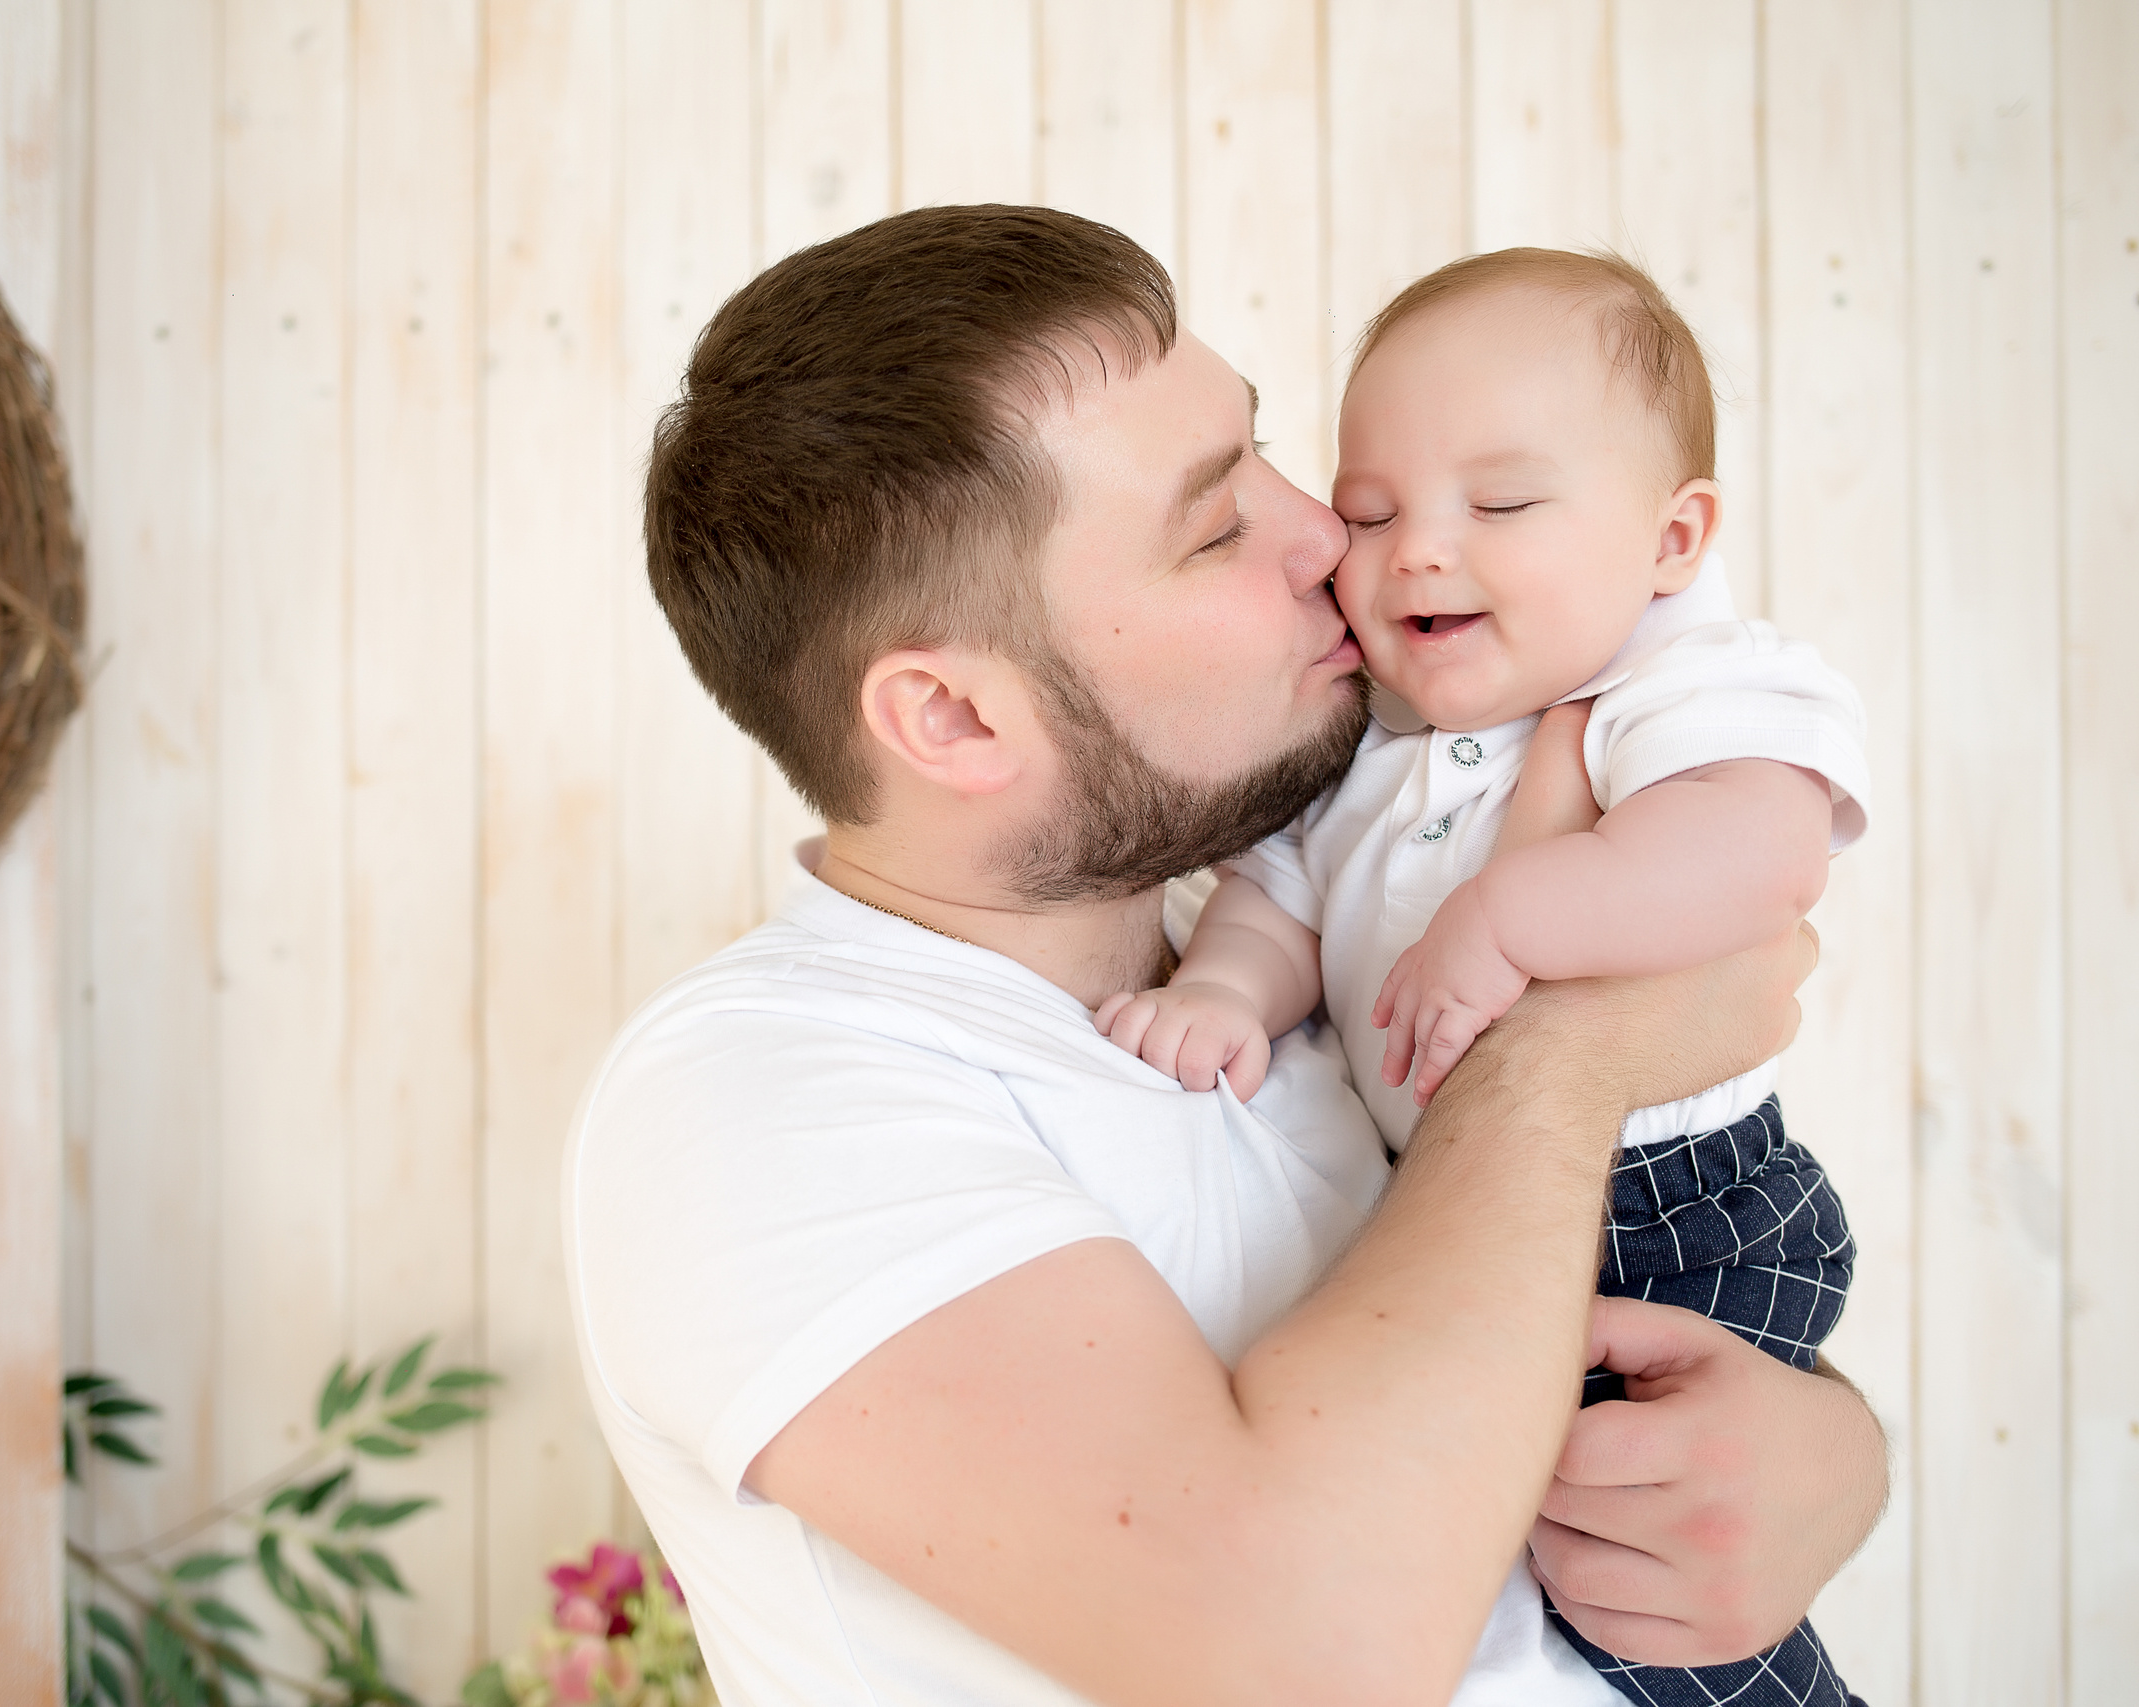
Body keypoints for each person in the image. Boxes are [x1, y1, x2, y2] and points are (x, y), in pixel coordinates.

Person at [566, 206, 1885, 1707]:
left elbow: (1529, 1333)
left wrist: (1825, 1453)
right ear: (955, 720)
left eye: (1264, 449)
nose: (1333, 530)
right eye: (1216, 521)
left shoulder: (1276, 962)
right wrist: (1572, 1047)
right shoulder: (756, 1103)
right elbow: (1313, 1656)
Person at [1091, 247, 1874, 1707]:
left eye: (1501, 505)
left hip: (1674, 1213)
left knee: (1642, 1586)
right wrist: (1221, 994)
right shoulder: (1363, 751)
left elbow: (1759, 854)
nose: (1416, 552)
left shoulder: (1672, 687)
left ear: (1673, 537)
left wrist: (1520, 914)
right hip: (1485, 1231)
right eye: (1373, 513)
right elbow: (1278, 907)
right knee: (1571, 1570)